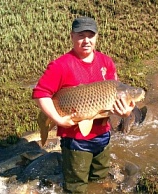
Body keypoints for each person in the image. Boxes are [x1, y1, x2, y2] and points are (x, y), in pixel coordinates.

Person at [32, 16, 135, 193]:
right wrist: (57, 119)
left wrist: (125, 113)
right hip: (75, 140)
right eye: (81, 35)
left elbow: (115, 98)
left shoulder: (106, 62)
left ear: (97, 37)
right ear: (72, 36)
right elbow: (41, 93)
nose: (86, 40)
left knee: (100, 180)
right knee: (76, 187)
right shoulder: (60, 65)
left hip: (102, 136)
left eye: (90, 35)